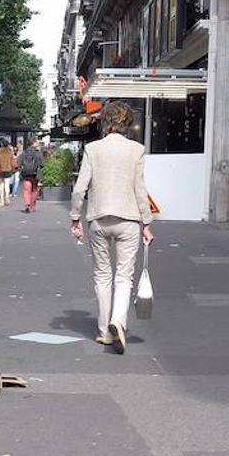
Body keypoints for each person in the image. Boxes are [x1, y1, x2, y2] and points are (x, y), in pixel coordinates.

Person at [69, 101, 155, 354]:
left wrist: (75, 218)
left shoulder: (93, 149)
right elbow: (140, 190)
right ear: (128, 124)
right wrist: (146, 223)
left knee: (102, 275)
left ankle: (104, 331)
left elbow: (79, 188)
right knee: (124, 276)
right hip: (128, 219)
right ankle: (119, 319)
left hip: (98, 218)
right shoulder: (136, 150)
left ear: (105, 122)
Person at [17, 141, 45, 213]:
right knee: (34, 190)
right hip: (35, 174)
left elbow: (18, 163)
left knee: (26, 190)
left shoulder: (24, 153)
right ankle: (32, 206)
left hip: (26, 174)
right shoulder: (37, 153)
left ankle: (27, 204)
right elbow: (42, 164)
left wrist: (20, 170)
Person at [0, 140, 17, 206]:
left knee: (1, 185)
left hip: (0, 170)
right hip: (8, 170)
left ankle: (2, 200)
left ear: (2, 144)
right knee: (7, 185)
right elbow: (13, 162)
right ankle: (7, 198)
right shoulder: (10, 152)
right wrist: (13, 169)